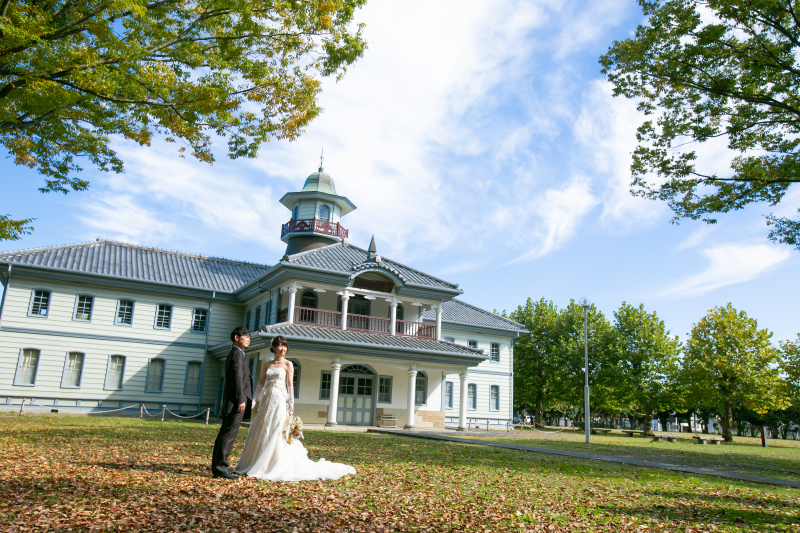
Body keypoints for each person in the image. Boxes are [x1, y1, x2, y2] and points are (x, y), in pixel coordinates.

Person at [234, 335, 356, 481]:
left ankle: (274, 463)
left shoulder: (288, 364)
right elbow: (261, 383)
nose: (283, 348)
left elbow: (290, 384)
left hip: (280, 400)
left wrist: (291, 403)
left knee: (277, 427)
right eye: (280, 345)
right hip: (267, 399)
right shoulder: (267, 364)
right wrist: (254, 399)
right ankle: (257, 461)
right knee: (263, 427)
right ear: (273, 347)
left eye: (285, 346)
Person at [211, 327, 252, 479]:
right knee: (228, 434)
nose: (248, 339)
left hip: (234, 400)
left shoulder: (237, 354)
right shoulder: (237, 354)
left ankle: (218, 467)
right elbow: (237, 378)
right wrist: (241, 399)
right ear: (236, 338)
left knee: (225, 433)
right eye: (245, 337)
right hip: (235, 401)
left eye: (249, 337)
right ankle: (221, 468)